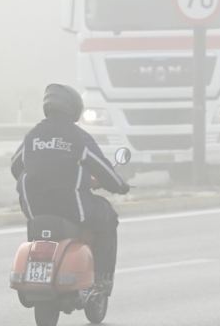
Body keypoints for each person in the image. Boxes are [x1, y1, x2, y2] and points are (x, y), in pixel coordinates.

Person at [11, 84, 130, 292]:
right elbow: (103, 170)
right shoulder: (78, 137)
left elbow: (15, 166)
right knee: (108, 219)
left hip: (35, 209)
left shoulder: (33, 135)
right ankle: (101, 280)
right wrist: (120, 186)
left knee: (40, 227)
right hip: (73, 209)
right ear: (74, 108)